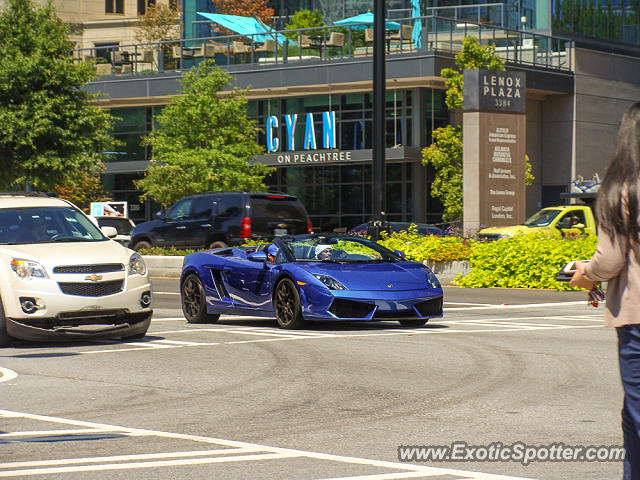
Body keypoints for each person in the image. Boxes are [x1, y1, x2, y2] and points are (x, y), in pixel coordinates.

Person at [570, 101, 640, 479]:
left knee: (636, 415)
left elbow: (611, 261)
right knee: (632, 420)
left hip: (638, 317)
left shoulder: (623, 190)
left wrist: (587, 273)